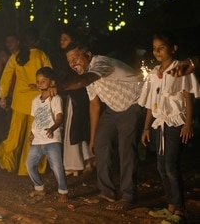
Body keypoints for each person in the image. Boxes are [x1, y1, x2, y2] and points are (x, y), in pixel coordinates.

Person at [55, 41, 144, 210]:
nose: (73, 63)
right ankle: (107, 192)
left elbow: (85, 80)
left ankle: (128, 197)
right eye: (69, 60)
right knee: (101, 144)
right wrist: (93, 137)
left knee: (127, 150)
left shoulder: (102, 63)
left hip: (133, 104)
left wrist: (61, 86)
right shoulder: (87, 73)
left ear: (88, 55)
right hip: (113, 108)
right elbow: (94, 104)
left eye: (75, 58)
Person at [139, 32, 199, 224]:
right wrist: (146, 128)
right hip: (159, 124)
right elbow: (150, 102)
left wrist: (188, 123)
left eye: (161, 47)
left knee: (171, 167)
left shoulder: (180, 68)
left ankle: (180, 211)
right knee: (161, 166)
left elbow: (188, 97)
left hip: (175, 123)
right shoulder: (155, 73)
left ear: (173, 48)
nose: (156, 51)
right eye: (154, 48)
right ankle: (170, 206)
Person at [0, 27, 52, 176]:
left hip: (19, 102)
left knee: (14, 135)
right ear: (37, 41)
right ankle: (30, 168)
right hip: (38, 101)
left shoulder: (16, 56)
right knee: (35, 136)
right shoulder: (41, 55)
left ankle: (7, 163)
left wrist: (3, 97)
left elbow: (6, 77)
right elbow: (50, 75)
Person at [26, 67, 68, 203]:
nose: (40, 84)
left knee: (56, 166)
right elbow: (36, 120)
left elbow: (60, 117)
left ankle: (63, 191)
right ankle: (39, 188)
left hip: (52, 139)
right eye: (38, 81)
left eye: (44, 81)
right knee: (29, 164)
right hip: (38, 140)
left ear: (52, 83)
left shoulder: (56, 99)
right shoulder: (35, 101)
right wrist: (31, 134)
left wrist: (53, 127)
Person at [55, 29, 94, 176]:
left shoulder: (82, 58)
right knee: (75, 127)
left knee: (79, 126)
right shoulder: (62, 59)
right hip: (72, 97)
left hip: (81, 96)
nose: (62, 42)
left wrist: (62, 87)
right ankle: (81, 161)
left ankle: (81, 162)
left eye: (65, 38)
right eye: (60, 40)